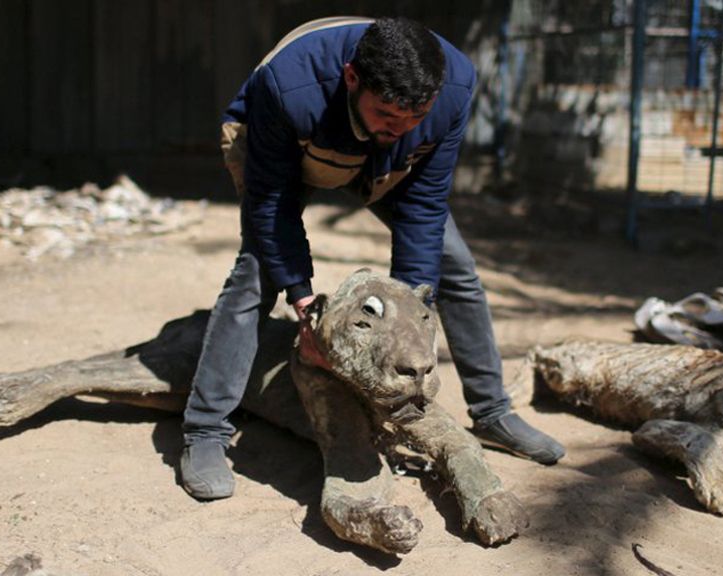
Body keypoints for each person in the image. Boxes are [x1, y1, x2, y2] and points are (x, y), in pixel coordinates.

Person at [181, 16, 566, 500]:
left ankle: (492, 412)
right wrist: (304, 307)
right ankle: (205, 430)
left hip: (380, 162)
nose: (401, 126)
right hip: (285, 148)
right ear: (351, 78)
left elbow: (424, 205)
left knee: (457, 268)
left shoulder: (453, 88)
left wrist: (409, 312)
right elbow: (272, 207)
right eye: (388, 114)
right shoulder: (287, 85)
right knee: (256, 275)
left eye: (414, 117)